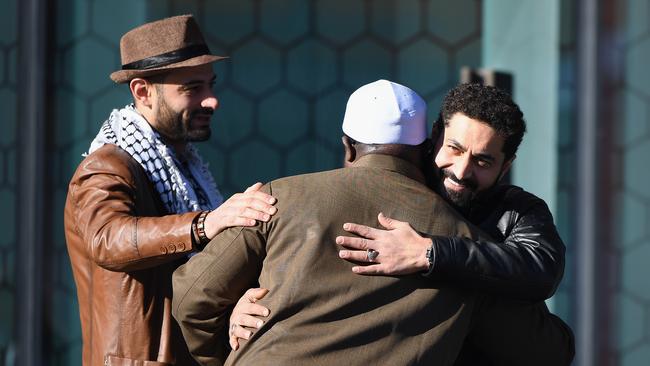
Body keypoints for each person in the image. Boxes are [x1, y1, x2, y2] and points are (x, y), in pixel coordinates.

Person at [172, 80, 573, 365]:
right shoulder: (465, 236)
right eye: (453, 149)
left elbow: (193, 296)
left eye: (483, 160)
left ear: (347, 146)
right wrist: (242, 302)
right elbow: (542, 348)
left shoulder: (278, 198)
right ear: (428, 145)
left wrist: (433, 253)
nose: (462, 170)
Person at [64, 15, 277, 366]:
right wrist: (205, 225)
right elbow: (105, 238)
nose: (212, 101)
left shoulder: (185, 165)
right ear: (143, 92)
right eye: (193, 88)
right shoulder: (107, 166)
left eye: (211, 85)